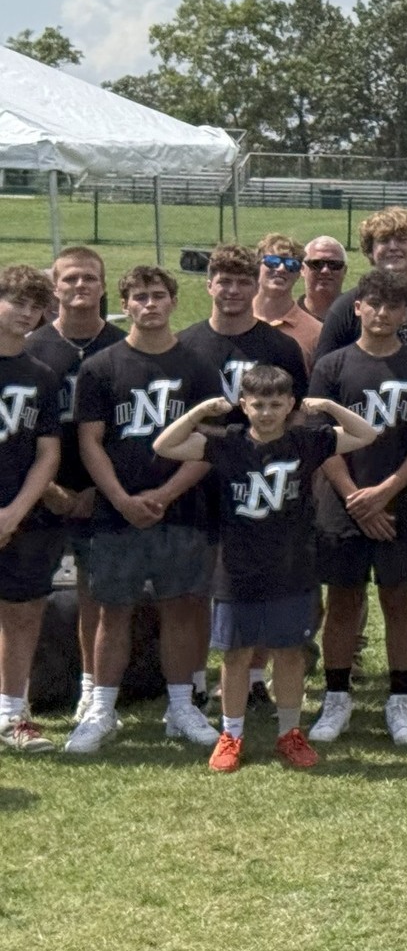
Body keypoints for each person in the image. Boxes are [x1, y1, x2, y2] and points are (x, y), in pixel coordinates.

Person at [152, 367, 377, 771]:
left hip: (292, 567)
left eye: (276, 404)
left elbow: (366, 435)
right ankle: (231, 734)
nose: (267, 413)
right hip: (237, 569)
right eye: (258, 405)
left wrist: (328, 406)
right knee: (236, 655)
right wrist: (200, 412)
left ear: (290, 404)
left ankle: (290, 733)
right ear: (244, 405)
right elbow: (165, 445)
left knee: (289, 654)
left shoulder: (306, 441)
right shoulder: (227, 443)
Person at [67, 265, 222, 753]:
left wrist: (166, 494)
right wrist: (119, 498)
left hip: (181, 508)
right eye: (139, 297)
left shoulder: (198, 366)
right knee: (114, 611)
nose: (149, 304)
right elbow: (90, 442)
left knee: (181, 607)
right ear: (124, 305)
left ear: (174, 301)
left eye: (158, 295)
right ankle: (102, 709)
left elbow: (211, 443)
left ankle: (181, 707)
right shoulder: (101, 366)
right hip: (117, 511)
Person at [306, 267, 407, 746]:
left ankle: (400, 699)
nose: (382, 313)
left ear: (405, 313)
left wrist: (385, 492)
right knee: (343, 600)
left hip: (399, 502)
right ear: (358, 308)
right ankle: (336, 698)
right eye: (374, 304)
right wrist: (355, 496)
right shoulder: (333, 366)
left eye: (393, 306)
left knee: (399, 600)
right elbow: (320, 438)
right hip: (341, 500)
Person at [24, 247, 124, 724]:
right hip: (38, 491)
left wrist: (103, 490)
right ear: (54, 288)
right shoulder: (30, 347)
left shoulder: (124, 346)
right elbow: (17, 435)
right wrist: (49, 490)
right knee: (22, 596)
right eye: (70, 279)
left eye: (89, 278)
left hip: (104, 491)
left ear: (103, 286)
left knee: (97, 596)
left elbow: (130, 436)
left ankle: (90, 687)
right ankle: (15, 693)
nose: (80, 286)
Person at [0, 265, 65, 752]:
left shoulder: (41, 375)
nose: (27, 313)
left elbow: (48, 453)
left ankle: (11, 714)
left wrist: (14, 512)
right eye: (17, 302)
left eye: (36, 306)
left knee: (22, 614)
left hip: (24, 514)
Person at [177, 243, 312, 407]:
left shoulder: (283, 348)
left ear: (256, 288)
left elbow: (296, 411)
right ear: (209, 286)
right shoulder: (182, 346)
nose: (233, 290)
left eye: (244, 283)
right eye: (225, 282)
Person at [314, 206, 407, 357]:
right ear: (371, 251)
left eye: (402, 240)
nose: (393, 247)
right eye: (384, 240)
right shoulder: (347, 307)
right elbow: (325, 366)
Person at [249, 233, 323, 370]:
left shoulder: (316, 332)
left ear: (299, 273)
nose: (281, 269)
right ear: (257, 266)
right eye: (273, 261)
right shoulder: (236, 319)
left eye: (291, 264)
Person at [298, 236, 349, 322]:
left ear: (344, 271)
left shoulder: (359, 317)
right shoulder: (287, 319)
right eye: (317, 264)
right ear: (302, 269)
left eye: (334, 264)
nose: (325, 271)